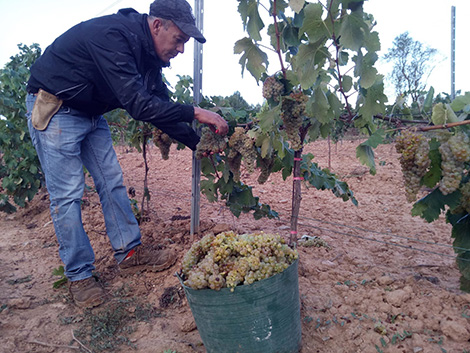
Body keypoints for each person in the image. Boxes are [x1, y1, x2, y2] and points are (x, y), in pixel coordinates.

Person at [25, 0, 228, 309]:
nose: (182, 50)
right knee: (67, 195)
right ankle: (79, 275)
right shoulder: (114, 36)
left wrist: (197, 146)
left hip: (90, 113)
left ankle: (129, 254)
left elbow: (159, 109)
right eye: (179, 40)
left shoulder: (148, 55)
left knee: (112, 182)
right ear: (158, 26)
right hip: (56, 108)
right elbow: (139, 106)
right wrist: (197, 112)